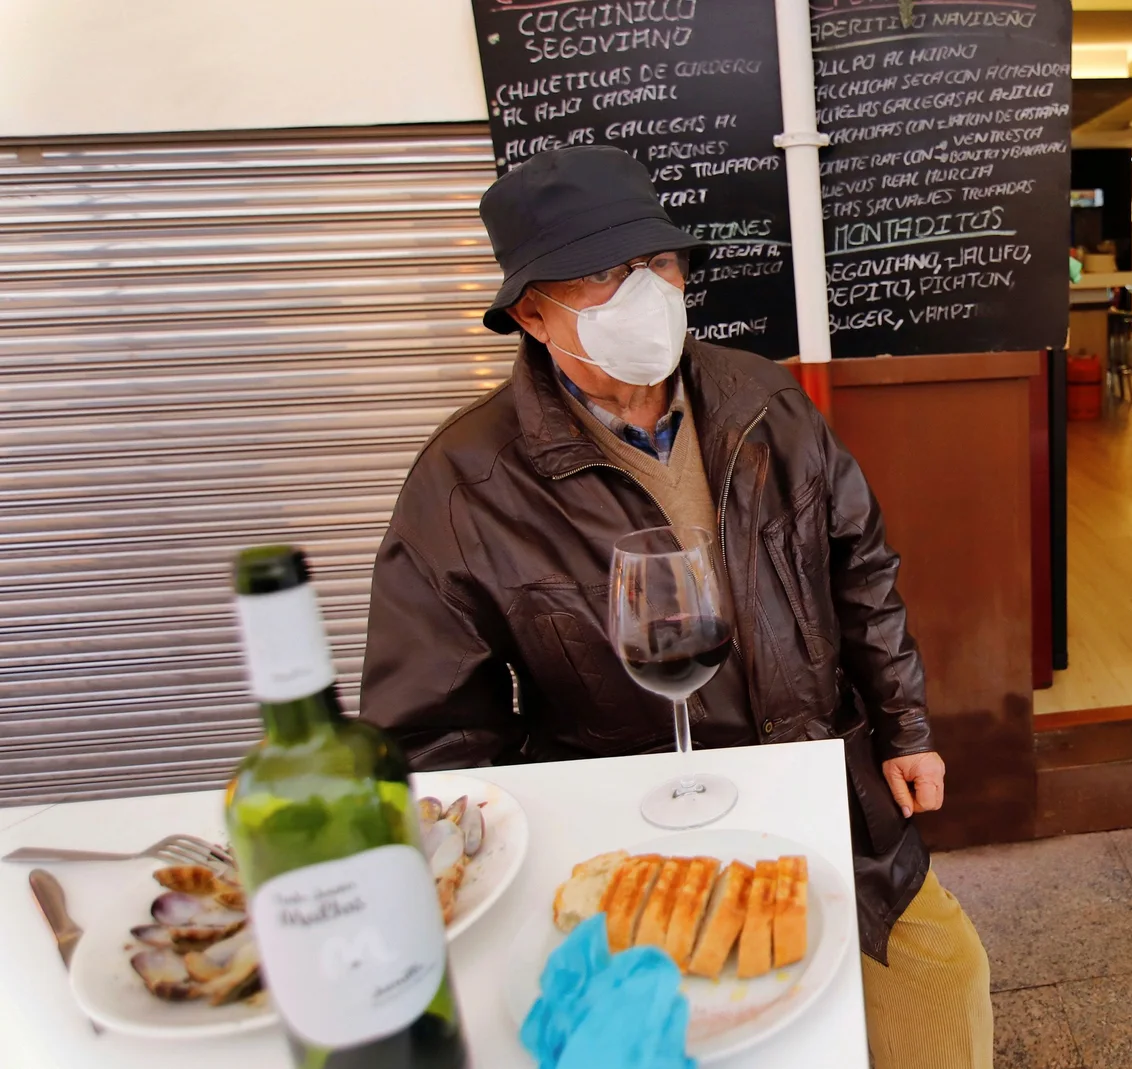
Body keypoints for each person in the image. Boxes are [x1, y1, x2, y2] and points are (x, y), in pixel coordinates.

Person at [359, 145, 993, 1067]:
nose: (643, 292)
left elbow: (861, 567)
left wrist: (905, 726)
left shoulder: (764, 399)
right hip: (629, 820)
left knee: (943, 979)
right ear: (532, 314)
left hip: (822, 775)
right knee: (726, 1033)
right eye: (603, 275)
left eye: (654, 264)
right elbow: (431, 733)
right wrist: (515, 869)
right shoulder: (464, 483)